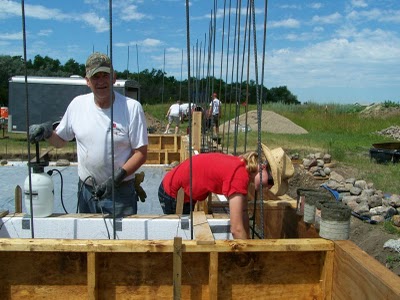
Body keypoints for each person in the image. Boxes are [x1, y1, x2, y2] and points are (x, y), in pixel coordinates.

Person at [28, 52, 148, 218]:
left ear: (114, 77)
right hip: (86, 190)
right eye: (95, 77)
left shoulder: (131, 108)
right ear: (87, 81)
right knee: (89, 240)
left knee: (119, 242)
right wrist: (47, 132)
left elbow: (140, 153)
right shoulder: (78, 105)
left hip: (119, 193)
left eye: (105, 75)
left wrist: (116, 179)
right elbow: (61, 141)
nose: (101, 81)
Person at [158, 143, 294, 239]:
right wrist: (249, 256)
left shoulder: (243, 167)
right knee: (180, 239)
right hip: (173, 194)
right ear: (263, 168)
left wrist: (247, 242)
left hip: (185, 192)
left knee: (186, 235)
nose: (269, 187)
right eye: (271, 181)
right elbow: (236, 229)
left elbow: (244, 213)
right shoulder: (239, 177)